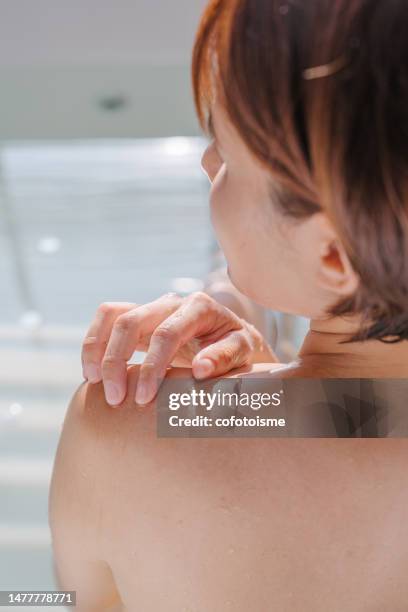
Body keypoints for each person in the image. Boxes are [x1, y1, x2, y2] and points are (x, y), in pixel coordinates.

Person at [49, 1, 408, 609]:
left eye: (227, 151)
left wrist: (253, 401)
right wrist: (270, 396)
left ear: (330, 258)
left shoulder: (127, 428)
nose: (206, 161)